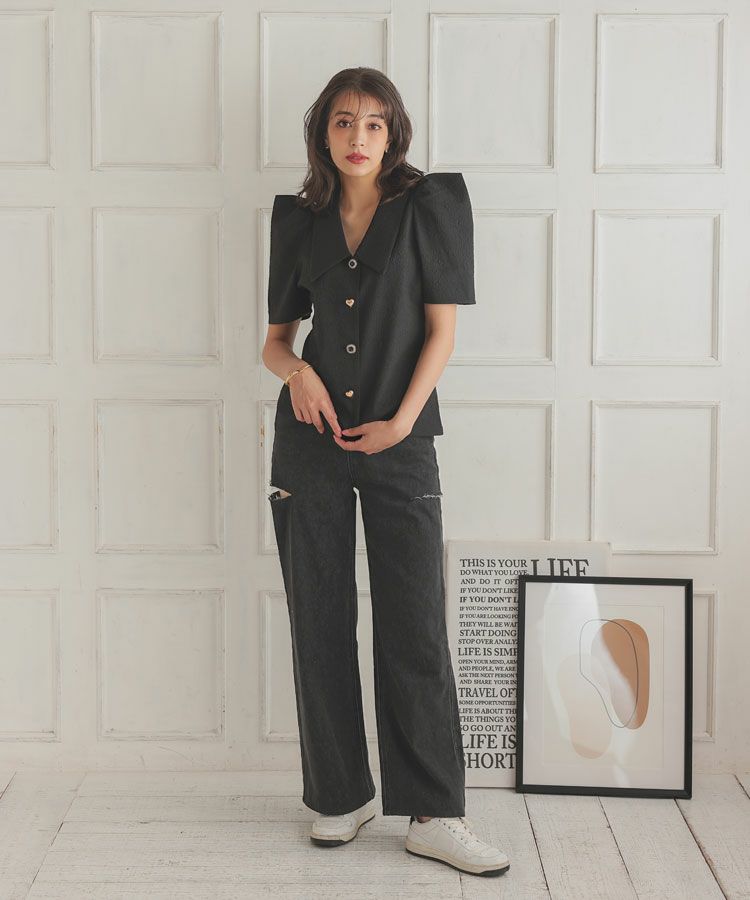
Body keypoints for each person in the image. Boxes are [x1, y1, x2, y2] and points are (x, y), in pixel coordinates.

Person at [262, 67, 510, 878]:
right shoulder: (299, 221)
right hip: (310, 443)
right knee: (319, 620)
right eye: (343, 122)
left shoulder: (430, 206)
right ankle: (341, 794)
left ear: (393, 133)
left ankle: (434, 812)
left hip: (402, 442)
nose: (358, 137)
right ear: (323, 134)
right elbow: (274, 342)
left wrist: (403, 421)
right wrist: (297, 373)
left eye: (373, 123)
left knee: (415, 623)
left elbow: (442, 333)